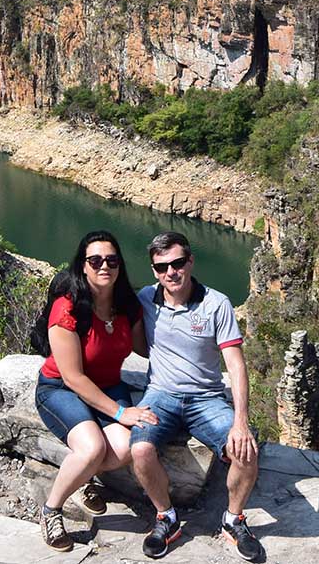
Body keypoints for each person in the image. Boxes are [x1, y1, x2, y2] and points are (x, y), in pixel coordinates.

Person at [129, 231, 264, 561]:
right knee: (141, 450)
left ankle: (233, 519)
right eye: (161, 267)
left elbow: (234, 363)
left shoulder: (216, 303)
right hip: (160, 394)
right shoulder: (146, 299)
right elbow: (131, 340)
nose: (170, 273)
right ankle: (166, 517)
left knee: (245, 451)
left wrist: (241, 421)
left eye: (177, 263)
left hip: (206, 398)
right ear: (154, 271)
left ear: (190, 261)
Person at [31, 230, 159, 552]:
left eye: (111, 260)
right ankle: (51, 509)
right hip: (60, 388)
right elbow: (73, 378)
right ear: (83, 266)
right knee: (90, 449)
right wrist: (119, 412)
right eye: (95, 260)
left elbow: (145, 348)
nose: (104, 266)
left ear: (120, 265)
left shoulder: (128, 306)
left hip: (106, 385)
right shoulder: (68, 309)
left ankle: (81, 476)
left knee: (128, 445)